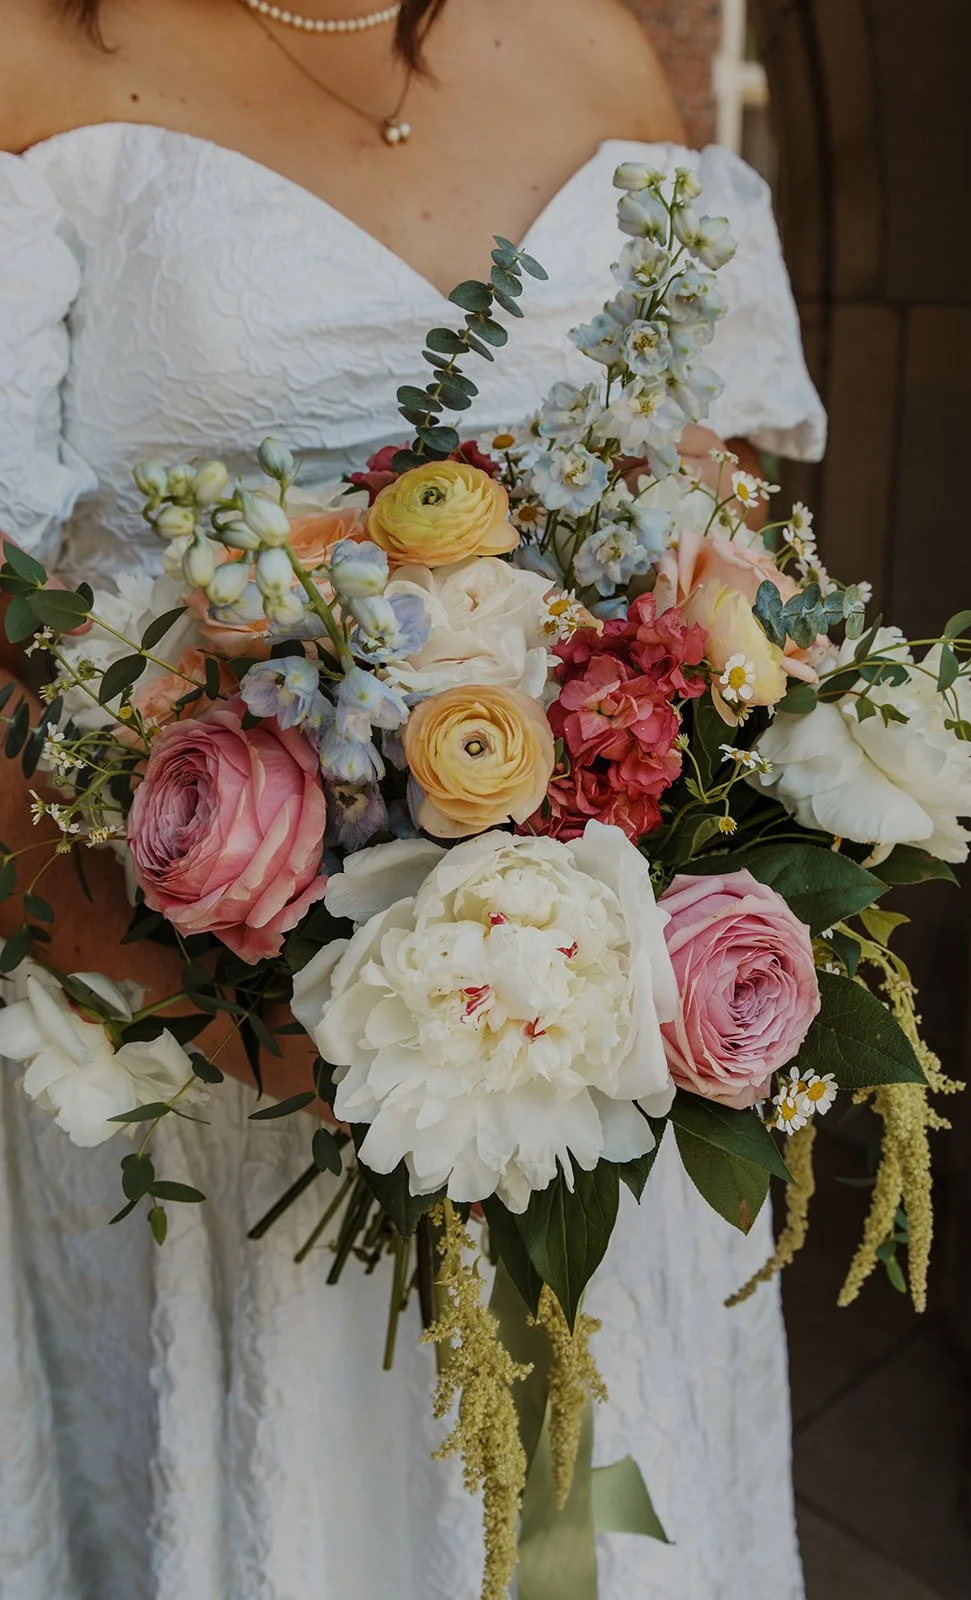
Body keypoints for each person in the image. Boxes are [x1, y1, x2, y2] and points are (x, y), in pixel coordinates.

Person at [0, 2, 825, 1595]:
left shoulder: (595, 44)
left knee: (601, 1510)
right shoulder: (32, 56)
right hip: (216, 1055)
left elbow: (712, 511)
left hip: (593, 1043)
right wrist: (248, 1026)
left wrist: (736, 830)